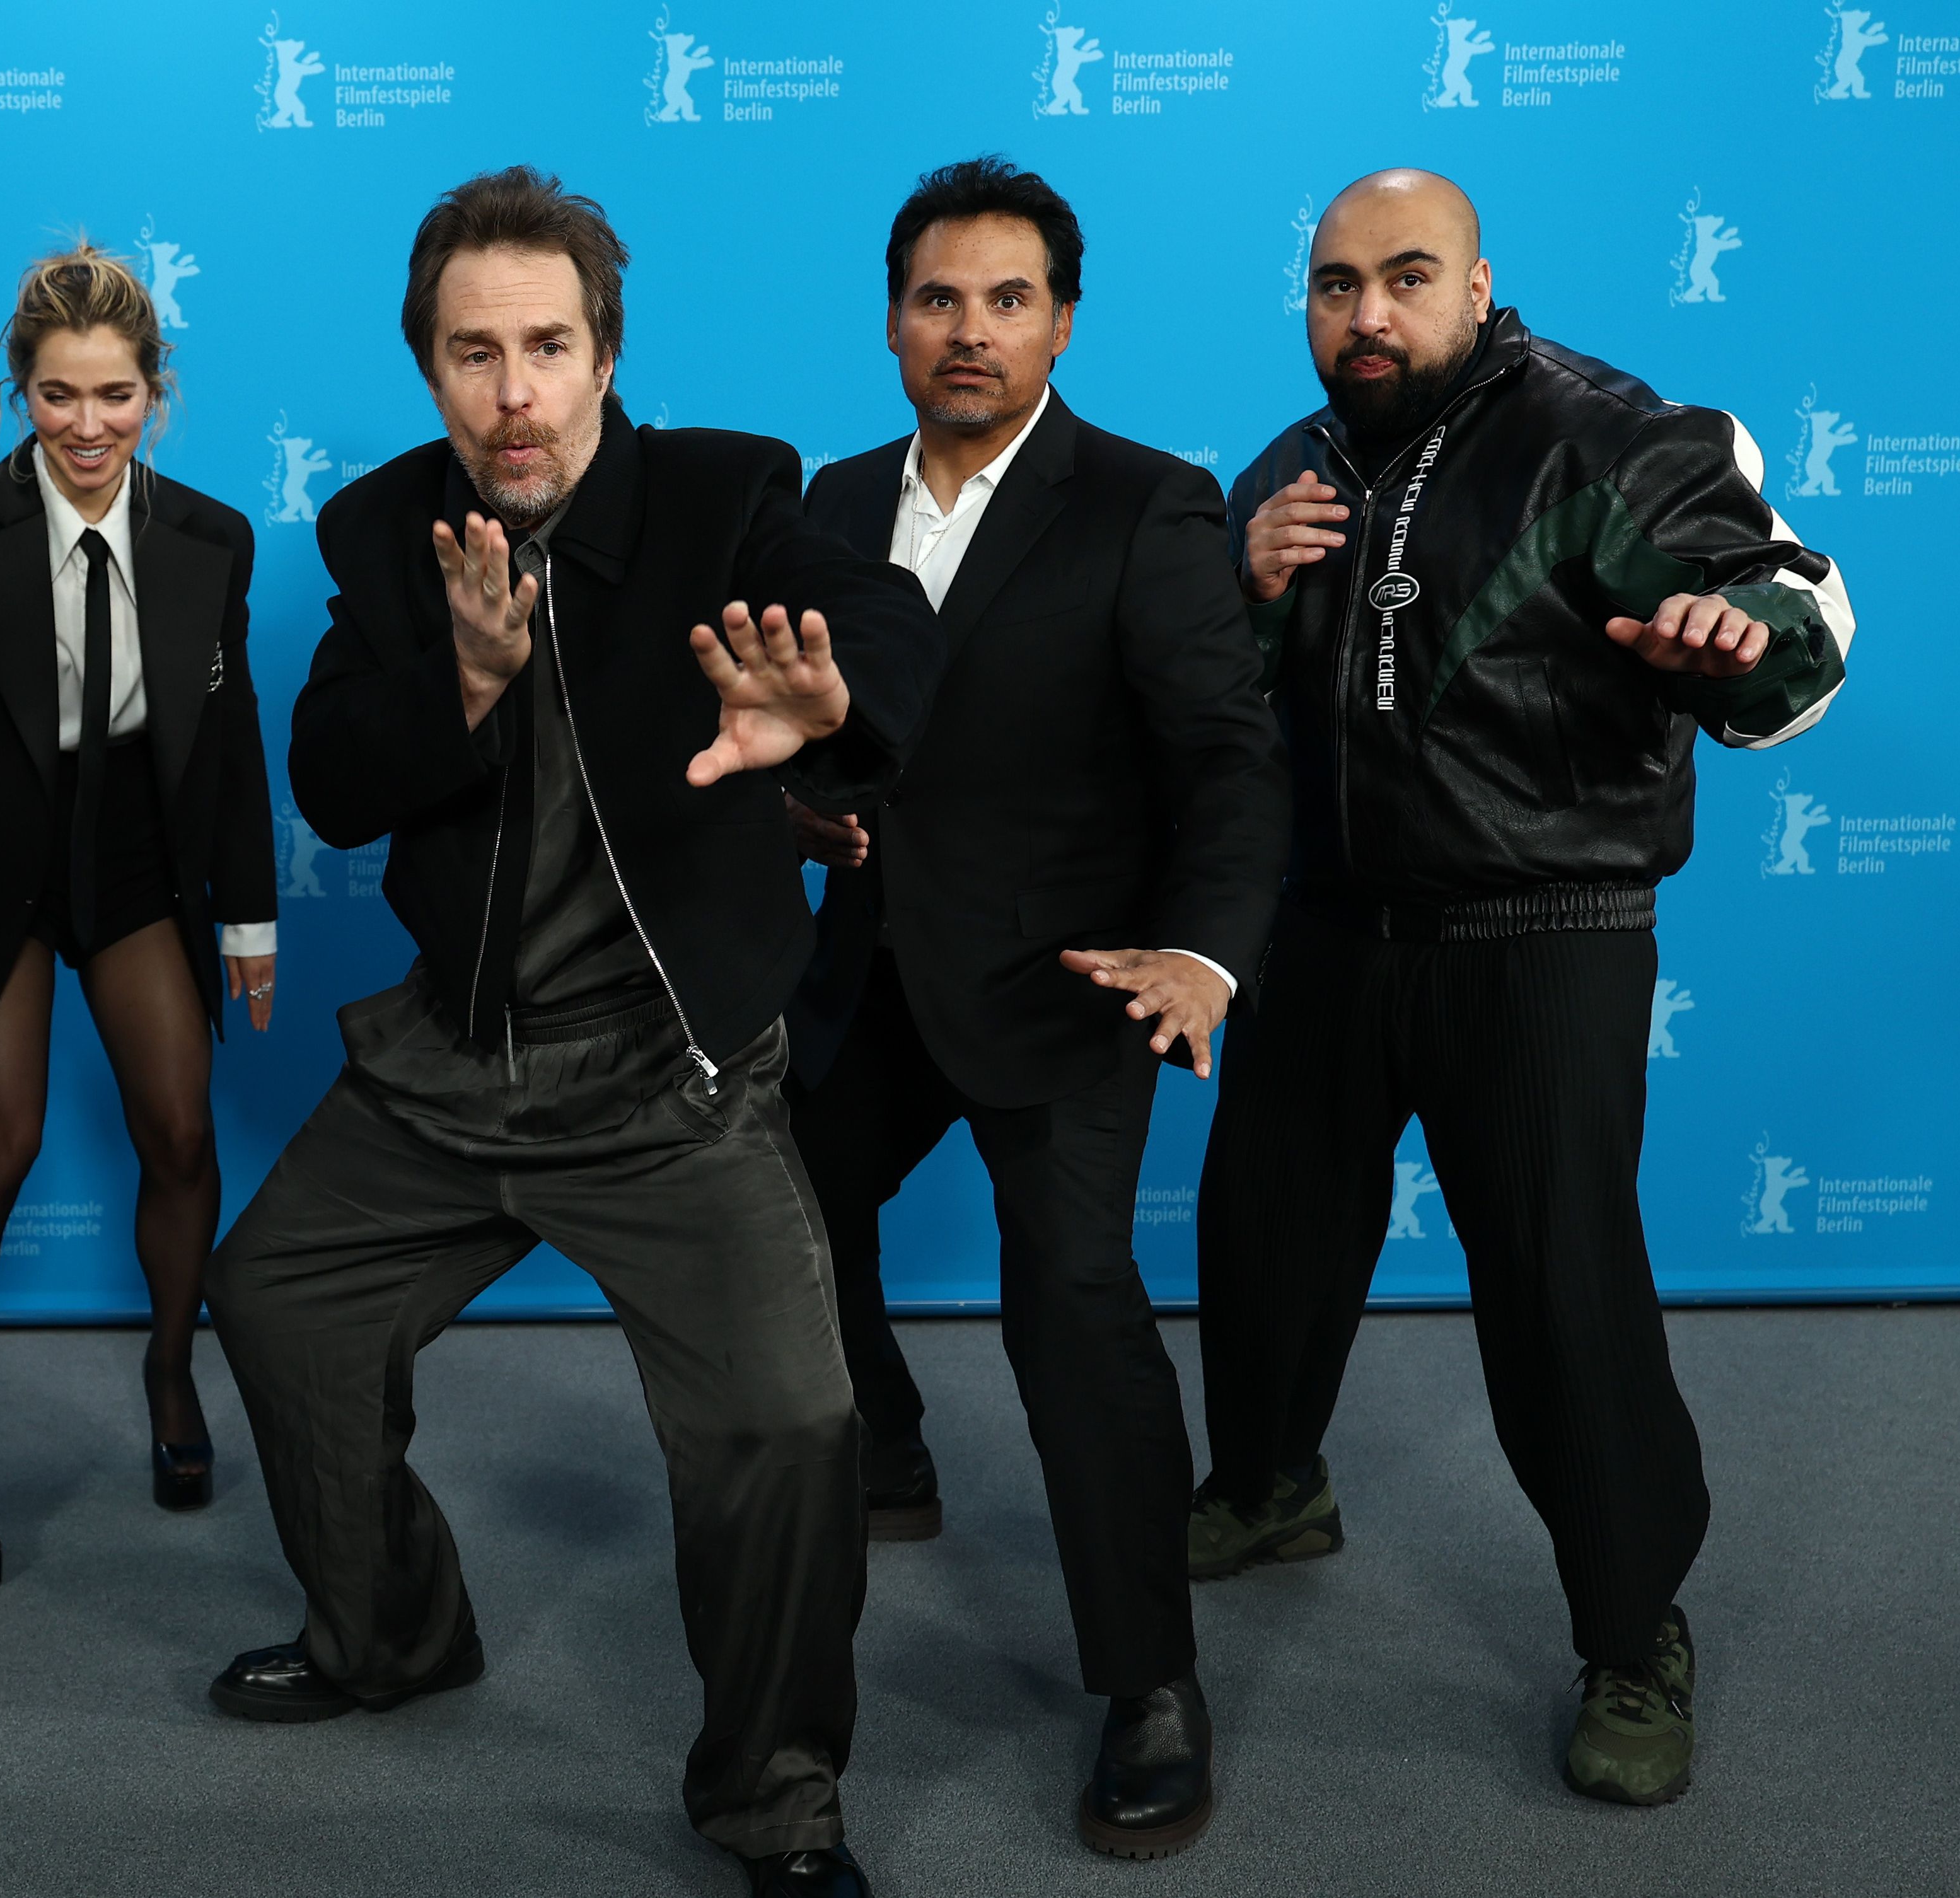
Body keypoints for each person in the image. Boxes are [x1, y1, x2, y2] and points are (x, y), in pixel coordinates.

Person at [200, 168, 950, 1898]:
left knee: (787, 1426)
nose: (514, 392)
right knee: (279, 1302)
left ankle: (774, 1802)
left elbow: (881, 620)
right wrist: (460, 688)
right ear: (430, 368)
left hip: (669, 1078)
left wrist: (833, 704)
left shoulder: (725, 494)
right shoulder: (386, 529)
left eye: (548, 347)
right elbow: (330, 772)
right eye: (475, 354)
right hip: (454, 1062)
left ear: (606, 355)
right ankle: (387, 1633)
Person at [1193, 168, 1852, 1807]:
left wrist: (1740, 633)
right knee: (1262, 1239)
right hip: (1330, 930)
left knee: (1562, 1297)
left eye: (1404, 277)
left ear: (1481, 284)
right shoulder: (1291, 463)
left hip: (1544, 930)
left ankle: (1634, 1631)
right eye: (1335, 285)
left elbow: (1789, 600)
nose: (1365, 313)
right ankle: (1271, 1481)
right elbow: (1209, 707)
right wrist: (1240, 594)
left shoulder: (1601, 432)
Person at [777, 156, 1287, 1860]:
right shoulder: (829, 504)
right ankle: (891, 1449)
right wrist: (798, 805)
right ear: (895, 321)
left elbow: (1226, 756)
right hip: (867, 967)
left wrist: (1203, 956)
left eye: (1008, 300)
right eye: (939, 299)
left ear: (1062, 319)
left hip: (1070, 979)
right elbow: (797, 733)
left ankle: (1149, 1680)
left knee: (1072, 1304)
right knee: (782, 1209)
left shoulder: (1148, 503)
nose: (971, 331)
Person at [0, 242, 278, 1587]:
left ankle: (171, 1371)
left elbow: (227, 737)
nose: (89, 426)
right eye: (59, 396)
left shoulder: (212, 537)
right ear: (19, 393)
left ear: (156, 392)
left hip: (136, 863)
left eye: (115, 395)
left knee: (178, 1131)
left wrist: (250, 920)